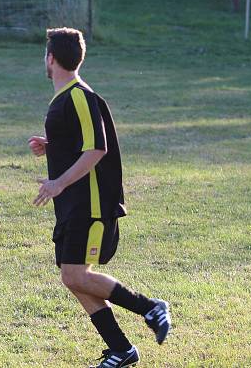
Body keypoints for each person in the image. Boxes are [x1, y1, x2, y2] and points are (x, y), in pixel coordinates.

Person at [28, 28, 171, 367]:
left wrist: (58, 183)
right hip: (73, 203)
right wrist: (51, 146)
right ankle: (121, 349)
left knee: (76, 274)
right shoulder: (65, 97)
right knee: (72, 275)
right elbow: (80, 141)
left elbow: (97, 148)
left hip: (88, 203)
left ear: (51, 58)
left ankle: (150, 307)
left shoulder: (78, 95)